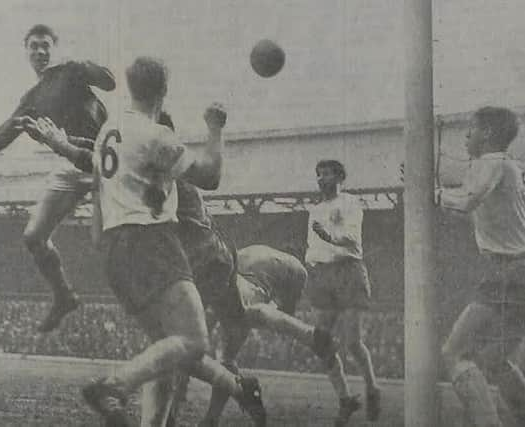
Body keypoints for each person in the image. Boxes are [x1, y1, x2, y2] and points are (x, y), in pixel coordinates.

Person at [26, 56, 266, 427]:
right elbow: (211, 175)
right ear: (163, 92)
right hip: (158, 247)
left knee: (168, 349)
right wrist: (215, 129)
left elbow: (94, 167)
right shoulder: (159, 139)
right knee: (192, 343)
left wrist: (60, 146)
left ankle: (236, 387)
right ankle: (115, 386)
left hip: (116, 252)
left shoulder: (112, 130)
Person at [0, 24, 116, 332]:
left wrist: (78, 63)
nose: (40, 52)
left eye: (45, 45)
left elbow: (109, 81)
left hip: (103, 164)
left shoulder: (73, 71)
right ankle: (64, 295)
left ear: (55, 48)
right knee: (33, 237)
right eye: (34, 47)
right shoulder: (31, 99)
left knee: (114, 244)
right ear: (27, 52)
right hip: (69, 166)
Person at [194, 244, 347, 427]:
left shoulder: (265, 267)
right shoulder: (253, 261)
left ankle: (214, 415)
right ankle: (213, 417)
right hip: (251, 277)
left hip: (250, 279)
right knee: (232, 340)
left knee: (243, 319)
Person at [438, 106, 525, 426]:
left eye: (469, 130)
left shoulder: (494, 163)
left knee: (453, 353)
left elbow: (468, 199)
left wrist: (434, 193)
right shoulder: (503, 167)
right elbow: (468, 207)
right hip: (517, 270)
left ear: (487, 133)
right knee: (494, 359)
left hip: (508, 270)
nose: (465, 137)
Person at [305, 159, 381, 425]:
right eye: (319, 174)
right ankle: (346, 399)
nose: (322, 178)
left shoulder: (350, 203)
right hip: (323, 275)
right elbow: (312, 246)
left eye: (327, 174)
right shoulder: (314, 210)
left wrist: (327, 236)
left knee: (351, 341)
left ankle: (372, 388)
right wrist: (311, 264)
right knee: (321, 341)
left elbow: (352, 239)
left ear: (339, 177)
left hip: (348, 271)